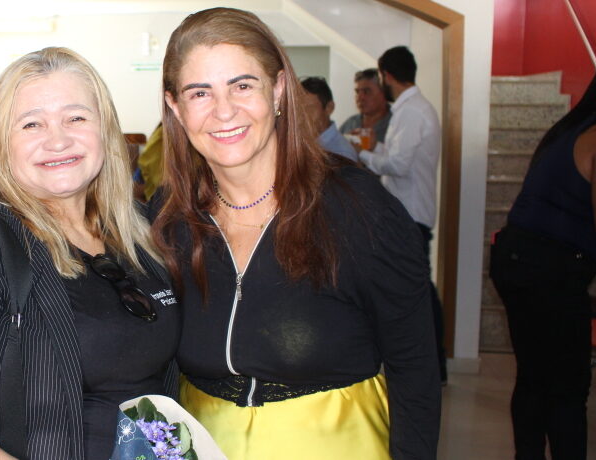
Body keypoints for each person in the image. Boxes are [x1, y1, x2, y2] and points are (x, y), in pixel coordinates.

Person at [152, 8, 440, 459]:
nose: (224, 111)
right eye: (200, 92)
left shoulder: (357, 208)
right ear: (175, 107)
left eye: (243, 86)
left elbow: (415, 365)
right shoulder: (169, 218)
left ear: (279, 89)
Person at [0, 47, 180, 460]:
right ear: (2, 144)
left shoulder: (140, 233)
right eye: (31, 124)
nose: (57, 140)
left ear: (105, 129)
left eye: (76, 118)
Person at [490, 65, 596, 460]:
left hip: (516, 258)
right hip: (550, 271)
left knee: (534, 378)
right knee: (568, 389)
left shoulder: (572, 128)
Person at [359, 46, 446, 384]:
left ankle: (432, 366)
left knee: (417, 292)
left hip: (410, 213)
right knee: (415, 289)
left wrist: (364, 155)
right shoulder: (412, 109)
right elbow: (397, 156)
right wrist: (374, 149)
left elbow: (397, 165)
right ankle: (429, 366)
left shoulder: (412, 112)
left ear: (387, 76)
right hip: (411, 211)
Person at [299, 76, 358, 161]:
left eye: (309, 108)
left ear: (329, 108)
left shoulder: (341, 153)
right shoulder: (301, 143)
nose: (302, 116)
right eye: (299, 109)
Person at [339, 68, 392, 142]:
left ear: (384, 93)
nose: (360, 98)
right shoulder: (350, 124)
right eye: (357, 92)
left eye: (366, 92)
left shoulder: (396, 123)